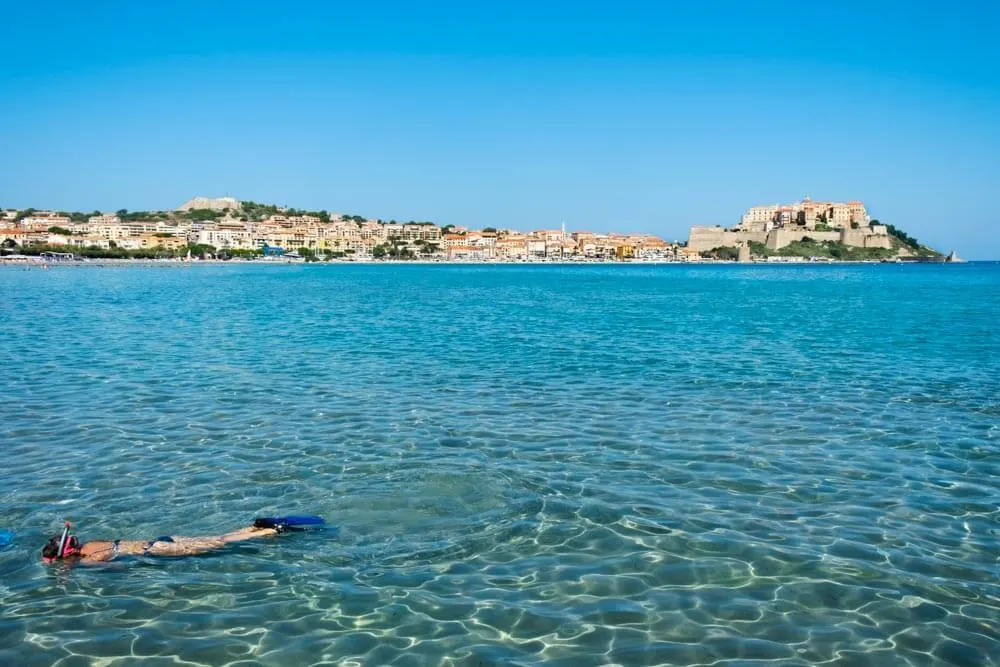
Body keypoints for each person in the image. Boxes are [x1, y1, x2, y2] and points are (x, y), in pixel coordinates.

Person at [41, 517, 315, 565]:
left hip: (160, 549)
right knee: (217, 538)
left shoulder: (90, 559)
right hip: (161, 540)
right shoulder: (92, 544)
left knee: (219, 543)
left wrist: (76, 568)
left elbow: (117, 567)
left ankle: (271, 531)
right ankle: (252, 528)